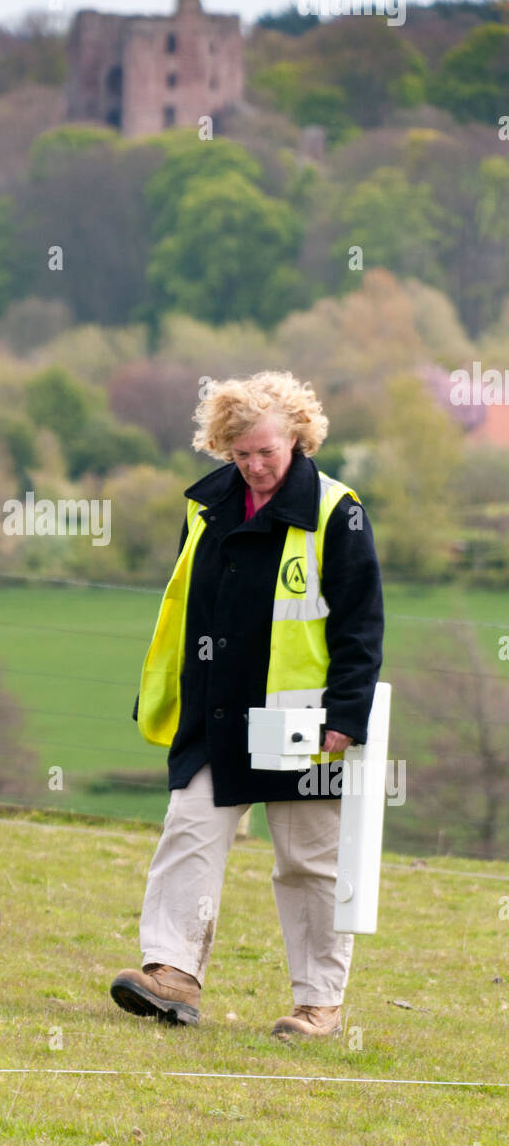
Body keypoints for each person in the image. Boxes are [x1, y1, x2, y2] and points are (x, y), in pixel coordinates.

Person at [111, 370, 384, 1038]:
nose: (256, 466)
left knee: (308, 862)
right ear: (222, 447)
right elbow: (187, 606)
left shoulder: (336, 509)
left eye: (268, 451)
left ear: (296, 436)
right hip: (217, 709)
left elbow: (360, 622)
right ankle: (171, 975)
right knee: (190, 829)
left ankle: (318, 1005)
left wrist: (346, 718)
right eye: (242, 454)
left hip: (305, 719)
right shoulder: (204, 507)